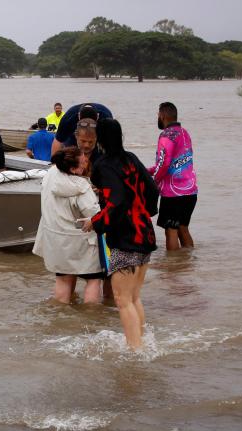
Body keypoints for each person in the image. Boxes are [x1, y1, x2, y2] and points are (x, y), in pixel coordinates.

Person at [90, 118, 159, 350]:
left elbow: (116, 202)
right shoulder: (131, 158)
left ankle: (135, 351)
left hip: (125, 237)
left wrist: (95, 223)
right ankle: (142, 343)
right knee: (134, 297)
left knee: (122, 300)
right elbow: (153, 188)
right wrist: (146, 212)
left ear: (99, 137)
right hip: (145, 234)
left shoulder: (104, 165)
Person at [33, 146, 102, 304]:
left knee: (63, 279)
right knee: (93, 280)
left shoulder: (50, 175)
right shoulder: (81, 186)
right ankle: (92, 321)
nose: (85, 161)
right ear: (72, 169)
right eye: (81, 162)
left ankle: (61, 318)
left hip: (55, 238)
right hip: (81, 241)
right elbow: (94, 214)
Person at [149, 102, 198, 251]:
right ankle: (187, 263)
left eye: (158, 115)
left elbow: (164, 165)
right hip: (190, 191)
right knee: (183, 227)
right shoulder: (184, 133)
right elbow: (173, 163)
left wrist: (153, 181)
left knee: (171, 229)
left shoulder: (166, 136)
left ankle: (172, 269)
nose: (157, 118)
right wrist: (146, 170)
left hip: (173, 194)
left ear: (163, 116)